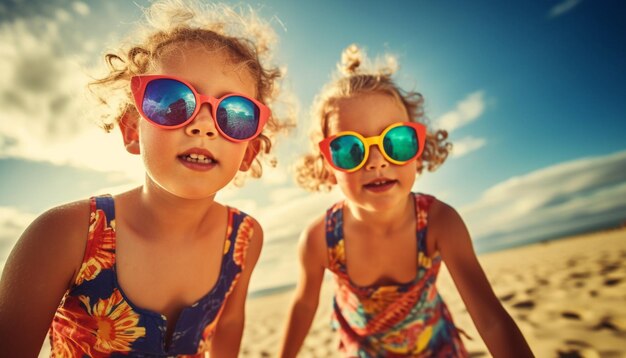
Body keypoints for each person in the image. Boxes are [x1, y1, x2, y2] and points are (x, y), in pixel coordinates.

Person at [0, 0, 291, 356]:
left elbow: (228, 326)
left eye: (234, 114)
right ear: (132, 130)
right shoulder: (63, 236)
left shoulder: (244, 239)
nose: (202, 124)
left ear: (248, 152)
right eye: (172, 101)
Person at [279, 45, 533, 357]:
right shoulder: (320, 240)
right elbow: (304, 305)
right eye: (349, 149)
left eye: (395, 142)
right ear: (327, 164)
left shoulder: (440, 222)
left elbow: (491, 319)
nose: (376, 162)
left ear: (418, 147)